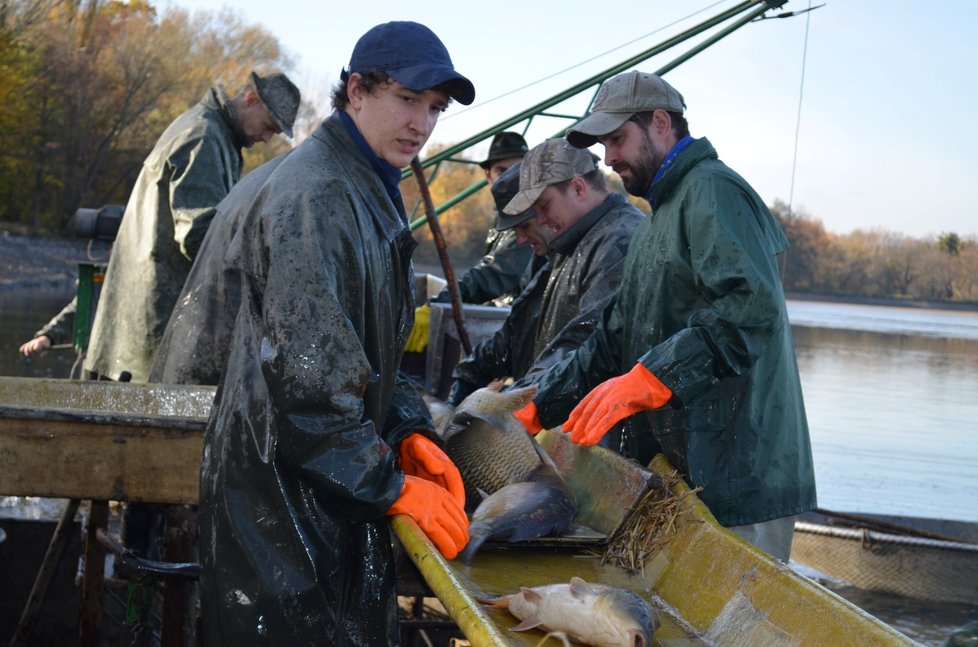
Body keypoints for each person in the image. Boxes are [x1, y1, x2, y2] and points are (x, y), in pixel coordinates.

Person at [197, 22, 473, 645]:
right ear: (356, 91)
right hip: (279, 499)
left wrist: (407, 430)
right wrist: (391, 486)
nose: (423, 125)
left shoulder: (370, 186)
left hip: (322, 483)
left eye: (434, 109)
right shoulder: (317, 194)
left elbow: (371, 349)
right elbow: (310, 389)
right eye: (408, 100)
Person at [512, 70, 816, 561]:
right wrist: (538, 405)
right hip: (694, 476)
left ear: (660, 122)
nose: (609, 159)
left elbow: (748, 310)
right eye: (604, 146)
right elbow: (612, 338)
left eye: (616, 139)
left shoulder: (713, 191)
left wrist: (653, 376)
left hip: (741, 476)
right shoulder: (657, 217)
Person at [83, 70, 300, 383]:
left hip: (136, 329)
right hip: (150, 330)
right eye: (269, 127)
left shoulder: (211, 132)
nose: (267, 138)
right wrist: (262, 273)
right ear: (250, 98)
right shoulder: (204, 137)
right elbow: (199, 237)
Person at [450, 139, 643, 405]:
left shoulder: (619, 242)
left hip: (589, 423)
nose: (540, 221)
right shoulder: (567, 244)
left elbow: (587, 345)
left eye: (542, 207)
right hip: (557, 413)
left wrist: (520, 399)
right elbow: (519, 329)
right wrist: (470, 373)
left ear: (578, 188)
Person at [429, 131, 532, 305]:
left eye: (519, 170)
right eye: (502, 170)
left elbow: (496, 272)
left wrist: (441, 302)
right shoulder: (500, 217)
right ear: (488, 176)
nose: (511, 178)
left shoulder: (533, 218)